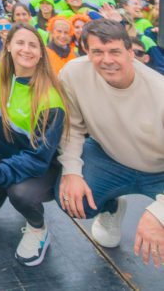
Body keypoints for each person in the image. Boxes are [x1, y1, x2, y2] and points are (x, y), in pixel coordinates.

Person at [56, 19, 164, 267]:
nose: (107, 59)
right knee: (71, 199)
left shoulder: (159, 92)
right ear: (86, 51)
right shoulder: (73, 74)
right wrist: (72, 171)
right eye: (97, 52)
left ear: (130, 52)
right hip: (111, 158)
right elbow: (71, 126)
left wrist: (159, 213)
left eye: (115, 51)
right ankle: (111, 208)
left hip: (159, 171)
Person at [0, 23, 67, 267]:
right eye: (20, 43)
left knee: (20, 193)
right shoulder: (2, 71)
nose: (26, 49)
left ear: (41, 53)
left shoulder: (50, 99)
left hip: (41, 168)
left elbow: (38, 159)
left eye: (33, 45)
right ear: (8, 45)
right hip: (3, 155)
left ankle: (37, 228)